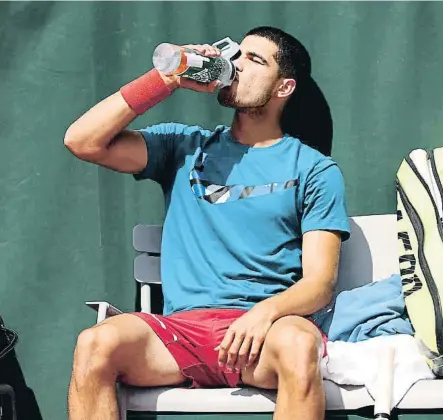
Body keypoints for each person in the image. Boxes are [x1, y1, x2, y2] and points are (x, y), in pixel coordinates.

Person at [63, 26, 350, 420]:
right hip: (181, 334)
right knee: (95, 344)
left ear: (284, 88)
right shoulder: (182, 147)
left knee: (301, 346)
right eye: (237, 54)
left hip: (263, 335)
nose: (236, 64)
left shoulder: (315, 169)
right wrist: (164, 80)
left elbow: (320, 283)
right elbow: (82, 141)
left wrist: (263, 314)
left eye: (255, 60)